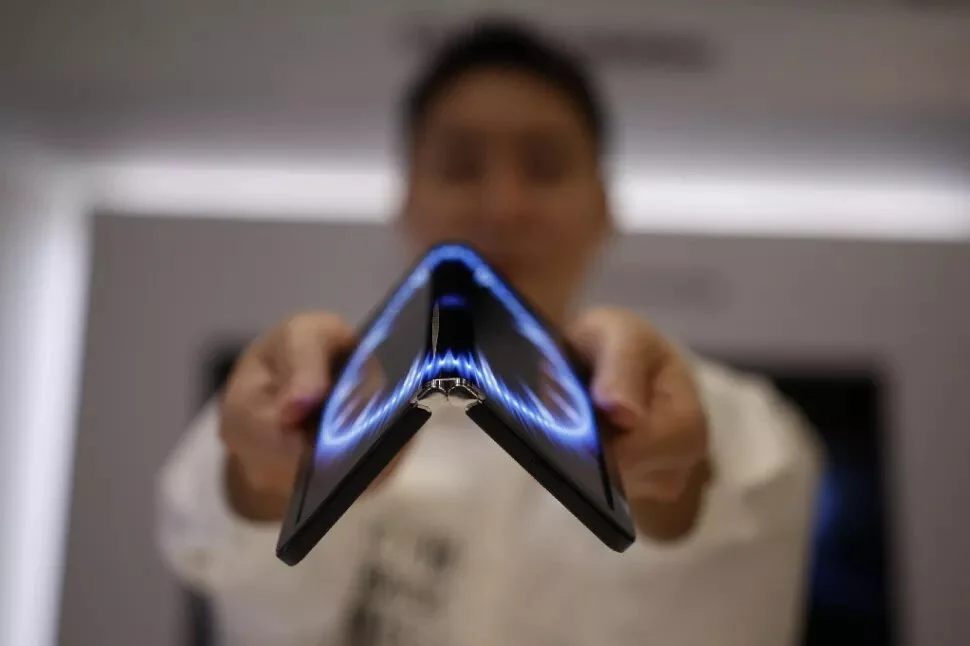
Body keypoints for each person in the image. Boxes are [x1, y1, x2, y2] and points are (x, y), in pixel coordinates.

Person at [157, 19, 823, 646]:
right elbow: (244, 573)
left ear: (604, 205)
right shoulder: (316, 399)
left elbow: (741, 508)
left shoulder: (739, 426)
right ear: (406, 200)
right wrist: (266, 472)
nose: (502, 206)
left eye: (546, 167)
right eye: (459, 167)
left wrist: (671, 475)